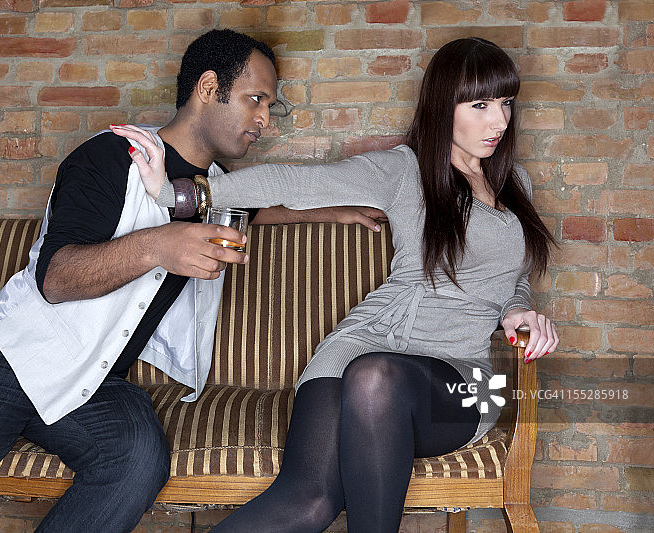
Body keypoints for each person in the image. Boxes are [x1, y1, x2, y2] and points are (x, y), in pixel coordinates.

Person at [0, 29, 385, 532]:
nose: (265, 119)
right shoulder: (112, 156)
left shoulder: (215, 189)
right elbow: (56, 278)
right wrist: (159, 246)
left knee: (136, 460)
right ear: (208, 88)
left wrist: (336, 213)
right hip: (6, 362)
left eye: (270, 106)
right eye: (256, 100)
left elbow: (262, 209)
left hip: (95, 384)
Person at [112, 37, 560, 532]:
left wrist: (515, 310)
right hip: (359, 346)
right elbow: (295, 183)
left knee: (376, 377)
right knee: (309, 500)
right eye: (480, 105)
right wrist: (180, 194)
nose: (499, 121)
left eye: (505, 103)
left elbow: (512, 276)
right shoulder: (404, 170)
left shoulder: (514, 182)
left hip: (463, 375)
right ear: (442, 105)